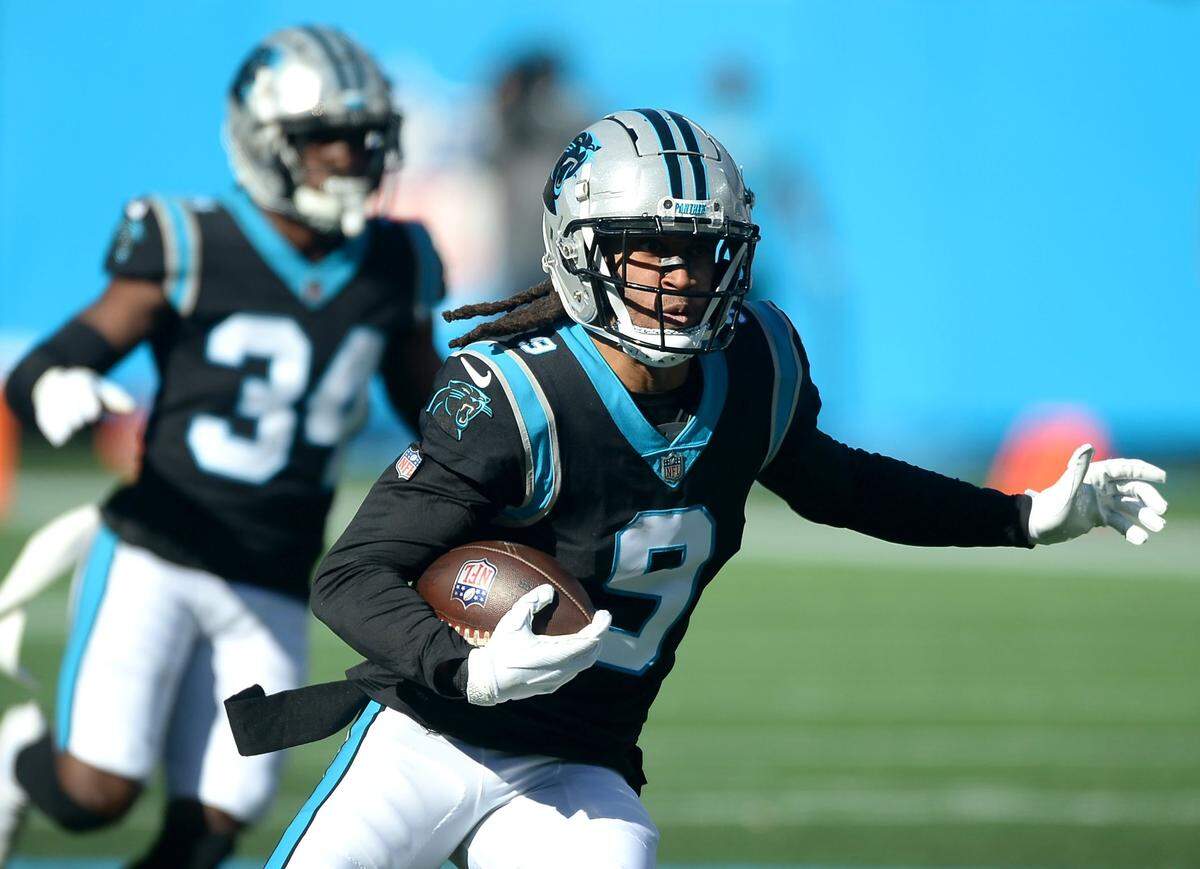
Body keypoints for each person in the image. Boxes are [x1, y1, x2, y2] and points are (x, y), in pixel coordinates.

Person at [257, 109, 1168, 868]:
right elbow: (352, 575)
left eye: (701, 253)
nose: (683, 280)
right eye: (651, 251)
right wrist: (471, 668)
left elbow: (843, 484)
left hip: (578, 758)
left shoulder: (755, 369)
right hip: (430, 731)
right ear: (581, 250)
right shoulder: (518, 396)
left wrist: (1023, 515)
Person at [0, 25, 446, 868]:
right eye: (326, 141)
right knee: (97, 793)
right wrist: (56, 385)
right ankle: (20, 765)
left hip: (277, 575)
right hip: (157, 552)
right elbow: (54, 358)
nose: (351, 158)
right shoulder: (191, 240)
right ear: (266, 143)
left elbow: (431, 399)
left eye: (365, 139)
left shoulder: (398, 258)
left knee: (215, 823)